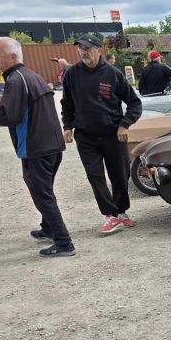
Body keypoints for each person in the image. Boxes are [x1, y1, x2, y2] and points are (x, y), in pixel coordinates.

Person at [0, 37, 74, 257]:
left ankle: (64, 243)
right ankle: (48, 228)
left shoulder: (16, 80)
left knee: (43, 195)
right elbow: (24, 107)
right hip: (50, 145)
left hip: (36, 148)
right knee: (44, 191)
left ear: (13, 56)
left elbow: (8, 117)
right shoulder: (31, 75)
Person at [62, 34, 142, 235]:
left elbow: (135, 103)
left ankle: (121, 211)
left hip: (113, 134)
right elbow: (67, 103)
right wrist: (67, 126)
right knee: (95, 176)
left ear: (99, 50)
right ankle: (110, 215)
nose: (83, 52)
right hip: (86, 136)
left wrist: (124, 125)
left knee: (120, 175)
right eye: (80, 48)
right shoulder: (72, 74)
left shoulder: (113, 74)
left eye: (87, 48)